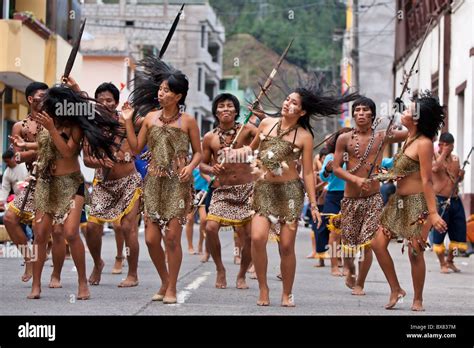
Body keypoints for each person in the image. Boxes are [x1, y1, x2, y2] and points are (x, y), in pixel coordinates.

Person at [231, 81, 357, 306]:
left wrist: (314, 204)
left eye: (294, 103)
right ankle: (263, 288)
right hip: (264, 189)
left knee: (286, 245)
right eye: (287, 100)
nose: (287, 104)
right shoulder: (266, 123)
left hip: (290, 193)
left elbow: (308, 172)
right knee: (258, 239)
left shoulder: (304, 136)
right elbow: (250, 150)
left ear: (302, 111)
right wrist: (233, 152)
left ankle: (287, 292)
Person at [11, 85, 123, 300]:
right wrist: (24, 145)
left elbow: (67, 150)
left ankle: (82, 283)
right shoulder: (46, 124)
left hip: (71, 184)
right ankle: (36, 285)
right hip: (46, 183)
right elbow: (45, 147)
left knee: (71, 232)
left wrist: (52, 129)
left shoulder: (74, 126)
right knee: (40, 234)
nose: (48, 111)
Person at [122, 56, 202, 304]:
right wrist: (127, 121)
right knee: (150, 239)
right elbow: (135, 149)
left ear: (178, 96)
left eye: (166, 90)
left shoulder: (188, 121)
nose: (161, 93)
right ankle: (165, 280)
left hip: (178, 184)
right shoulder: (150, 118)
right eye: (160, 89)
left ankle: (172, 288)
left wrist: (190, 167)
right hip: (153, 183)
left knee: (171, 238)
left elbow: (198, 152)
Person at [371, 92, 448, 311]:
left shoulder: (424, 143)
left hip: (418, 204)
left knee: (415, 252)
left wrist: (433, 214)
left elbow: (427, 180)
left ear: (417, 118)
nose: (404, 112)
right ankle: (395, 289)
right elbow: (388, 142)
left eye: (408, 110)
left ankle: (418, 299)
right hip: (399, 202)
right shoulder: (408, 138)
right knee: (377, 243)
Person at [333, 97, 407, 295]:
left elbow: (408, 133)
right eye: (357, 110)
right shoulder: (344, 139)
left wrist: (402, 111)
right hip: (349, 199)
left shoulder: (382, 136)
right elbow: (336, 168)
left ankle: (360, 283)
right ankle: (349, 270)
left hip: (373, 198)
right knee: (348, 245)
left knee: (367, 243)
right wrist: (356, 180)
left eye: (365, 110)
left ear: (372, 115)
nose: (361, 113)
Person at [82, 82, 142, 287]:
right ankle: (98, 263)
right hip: (103, 183)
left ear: (116, 102)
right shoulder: (91, 126)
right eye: (100, 100)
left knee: (127, 227)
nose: (105, 103)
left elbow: (150, 122)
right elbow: (87, 159)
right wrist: (101, 162)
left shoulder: (128, 120)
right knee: (91, 227)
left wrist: (132, 116)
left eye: (109, 100)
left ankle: (132, 274)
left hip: (129, 182)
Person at [199, 93, 257, 289]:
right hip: (222, 191)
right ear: (216, 111)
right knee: (210, 227)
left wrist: (263, 117)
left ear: (236, 111)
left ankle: (241, 274)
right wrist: (211, 169)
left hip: (247, 190)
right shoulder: (209, 137)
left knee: (249, 235)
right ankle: (220, 269)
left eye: (230, 106)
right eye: (221, 106)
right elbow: (202, 165)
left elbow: (267, 137)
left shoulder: (247, 131)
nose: (226, 109)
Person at [3, 82, 57, 284]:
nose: (44, 99)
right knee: (9, 218)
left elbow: (62, 149)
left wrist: (30, 149)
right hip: (34, 182)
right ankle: (28, 257)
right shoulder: (19, 126)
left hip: (58, 181)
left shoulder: (55, 122)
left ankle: (56, 273)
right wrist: (40, 149)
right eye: (40, 96)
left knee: (52, 230)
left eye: (47, 96)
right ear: (30, 100)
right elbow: (17, 159)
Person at [315, 129, 350, 275]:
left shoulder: (359, 154)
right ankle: (334, 266)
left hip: (352, 196)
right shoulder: (331, 156)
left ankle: (348, 266)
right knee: (334, 233)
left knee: (348, 234)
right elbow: (324, 178)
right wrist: (328, 170)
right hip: (334, 197)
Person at [431, 132, 467, 273]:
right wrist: (443, 153)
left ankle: (451, 260)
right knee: (439, 233)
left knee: (459, 233)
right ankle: (442, 264)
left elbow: (456, 181)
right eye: (444, 145)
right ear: (439, 144)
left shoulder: (455, 159)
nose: (447, 148)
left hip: (455, 199)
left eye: (450, 146)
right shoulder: (433, 157)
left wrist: (461, 176)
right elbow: (434, 168)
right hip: (439, 200)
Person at [185, 167, 210, 256]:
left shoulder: (207, 161)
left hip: (203, 192)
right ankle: (190, 246)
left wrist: (205, 189)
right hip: (191, 191)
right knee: (190, 218)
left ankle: (200, 244)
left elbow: (211, 178)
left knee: (203, 220)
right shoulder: (191, 160)